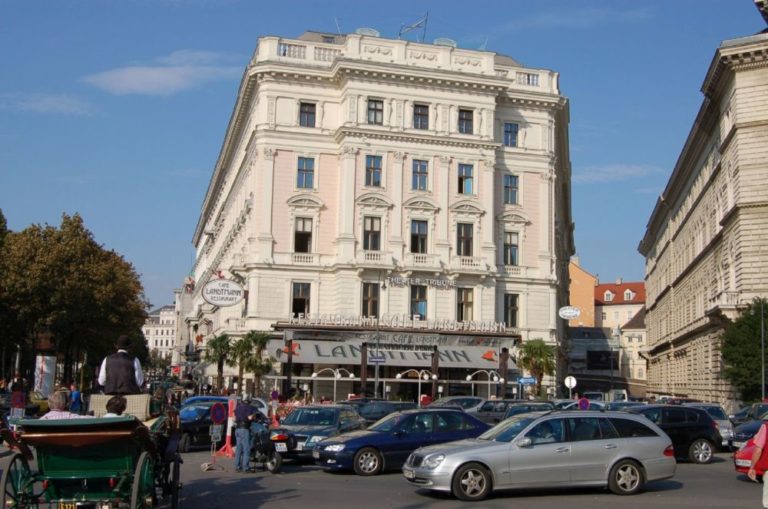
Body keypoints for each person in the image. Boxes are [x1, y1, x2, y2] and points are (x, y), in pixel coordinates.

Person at [234, 398, 256, 473]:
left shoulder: (238, 407)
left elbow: (234, 418)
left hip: (237, 429)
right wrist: (253, 416)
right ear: (248, 401)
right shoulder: (249, 408)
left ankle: (237, 466)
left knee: (238, 449)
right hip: (244, 429)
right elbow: (249, 418)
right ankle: (246, 467)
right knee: (246, 449)